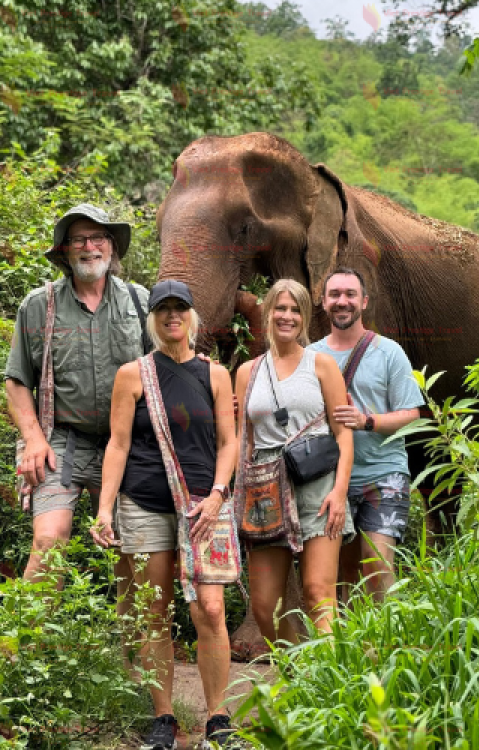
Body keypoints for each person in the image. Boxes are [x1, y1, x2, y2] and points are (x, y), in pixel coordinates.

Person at [91, 281, 239, 750]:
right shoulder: (133, 374)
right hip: (144, 503)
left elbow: (230, 443)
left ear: (192, 317)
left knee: (210, 610)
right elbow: (118, 444)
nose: (172, 316)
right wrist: (104, 509)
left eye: (180, 309)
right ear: (153, 318)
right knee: (155, 612)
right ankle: (164, 719)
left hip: (201, 505)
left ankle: (217, 717)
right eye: (163, 310)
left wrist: (217, 494)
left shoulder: (214, 375)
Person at [4, 204, 148, 588]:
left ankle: (132, 648)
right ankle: (24, 646)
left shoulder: (139, 302)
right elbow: (17, 380)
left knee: (129, 550)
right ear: (65, 250)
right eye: (78, 239)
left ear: (112, 246)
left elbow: (171, 364)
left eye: (98, 237)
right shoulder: (39, 304)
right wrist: (34, 439)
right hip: (63, 441)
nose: (89, 246)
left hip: (127, 445)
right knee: (49, 539)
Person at [235, 279, 355, 644]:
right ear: (267, 313)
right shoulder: (247, 372)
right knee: (265, 604)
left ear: (304, 318)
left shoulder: (322, 366)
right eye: (280, 308)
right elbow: (242, 440)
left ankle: (326, 687)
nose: (287, 316)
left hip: (318, 483)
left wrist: (339, 492)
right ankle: (297, 668)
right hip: (265, 487)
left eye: (295, 310)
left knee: (319, 593)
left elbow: (344, 434)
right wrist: (231, 497)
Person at [309, 268, 423, 601]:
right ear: (323, 301)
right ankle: (347, 650)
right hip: (329, 482)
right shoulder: (310, 356)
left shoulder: (390, 352)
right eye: (334, 295)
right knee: (340, 579)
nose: (342, 302)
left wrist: (367, 421)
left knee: (377, 570)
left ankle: (385, 647)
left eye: (349, 294)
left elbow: (412, 415)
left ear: (364, 302)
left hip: (383, 475)